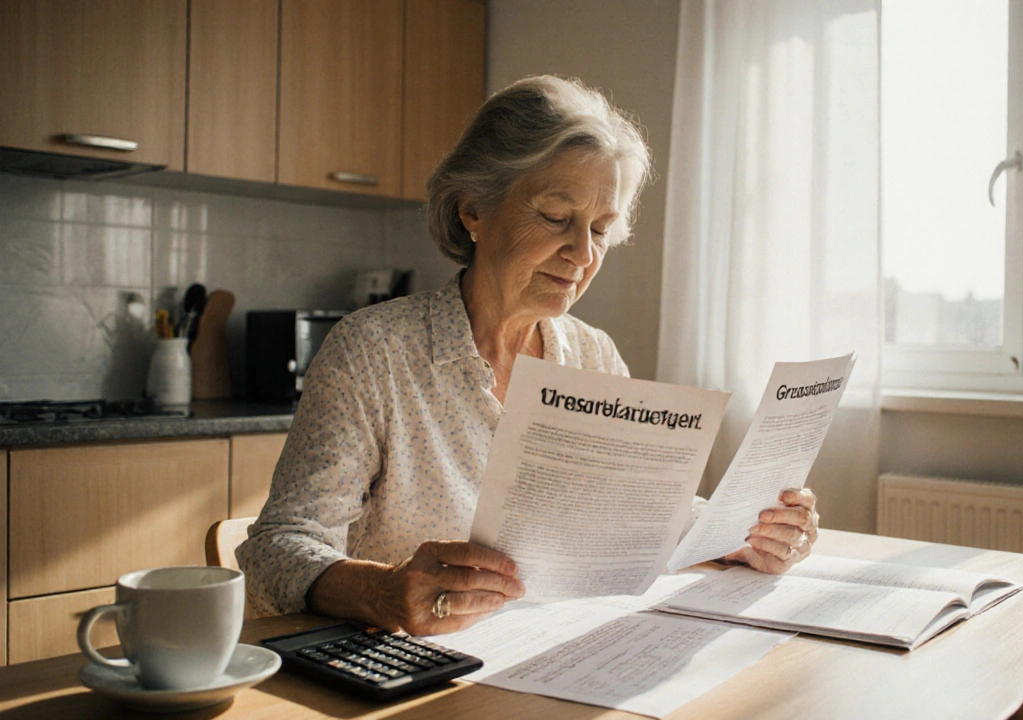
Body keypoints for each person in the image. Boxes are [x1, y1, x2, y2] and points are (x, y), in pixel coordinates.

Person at [237, 75, 820, 636]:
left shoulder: (592, 355)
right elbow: (275, 549)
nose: (581, 254)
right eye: (556, 218)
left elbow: (639, 516)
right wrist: (385, 591)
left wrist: (745, 535)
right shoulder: (375, 353)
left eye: (600, 229)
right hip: (420, 675)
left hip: (558, 658)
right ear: (474, 210)